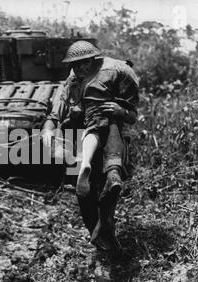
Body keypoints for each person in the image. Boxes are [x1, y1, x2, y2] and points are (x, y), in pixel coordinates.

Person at [42, 40, 139, 257]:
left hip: (108, 145)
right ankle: (101, 240)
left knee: (107, 194)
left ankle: (106, 242)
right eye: (76, 65)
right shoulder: (71, 81)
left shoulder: (114, 72)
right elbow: (55, 113)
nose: (81, 68)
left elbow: (132, 116)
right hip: (78, 140)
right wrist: (48, 130)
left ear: (93, 60)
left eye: (85, 63)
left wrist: (119, 110)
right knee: (84, 196)